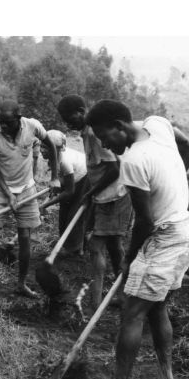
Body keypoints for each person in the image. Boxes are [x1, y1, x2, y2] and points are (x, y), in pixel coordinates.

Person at [85, 100, 189, 379]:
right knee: (157, 307)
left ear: (119, 126)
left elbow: (145, 222)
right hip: (187, 232)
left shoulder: (134, 162)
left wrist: (128, 258)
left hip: (166, 238)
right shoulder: (157, 125)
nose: (106, 145)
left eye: (106, 137)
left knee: (132, 313)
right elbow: (187, 145)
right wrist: (174, 178)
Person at [0, 100, 61, 297]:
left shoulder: (33, 126)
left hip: (26, 189)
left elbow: (51, 145)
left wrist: (55, 177)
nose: (3, 126)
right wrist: (8, 194)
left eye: (8, 122)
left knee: (25, 237)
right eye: (1, 122)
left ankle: (21, 284)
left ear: (19, 118)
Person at [57, 95, 132, 310]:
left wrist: (91, 192)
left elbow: (114, 168)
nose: (67, 123)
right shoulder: (87, 133)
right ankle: (121, 292)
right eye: (64, 119)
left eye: (70, 118)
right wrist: (93, 191)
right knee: (113, 246)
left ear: (81, 110)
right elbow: (98, 167)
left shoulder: (94, 133)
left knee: (98, 245)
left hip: (115, 195)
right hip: (105, 195)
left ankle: (97, 300)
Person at [39, 130, 89, 255]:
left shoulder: (65, 161)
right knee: (64, 210)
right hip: (71, 176)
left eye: (46, 147)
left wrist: (45, 205)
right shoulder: (52, 158)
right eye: (41, 145)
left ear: (58, 149)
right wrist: (54, 190)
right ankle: (66, 243)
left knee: (75, 213)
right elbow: (58, 180)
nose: (42, 150)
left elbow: (69, 191)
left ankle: (76, 249)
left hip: (84, 178)